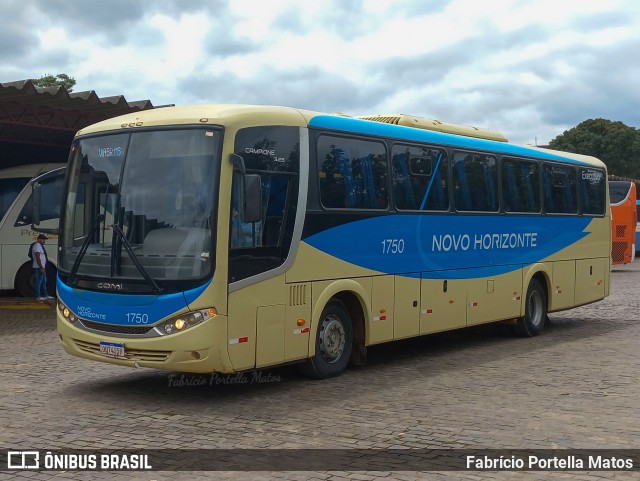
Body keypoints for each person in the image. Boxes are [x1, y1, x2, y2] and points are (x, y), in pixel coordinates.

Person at [32, 234, 52, 302]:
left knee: (43, 281)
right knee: (39, 282)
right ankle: (38, 296)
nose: (44, 241)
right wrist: (41, 267)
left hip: (41, 267)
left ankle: (45, 295)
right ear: (39, 239)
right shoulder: (37, 246)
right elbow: (37, 257)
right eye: (43, 239)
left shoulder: (39, 246)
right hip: (39, 267)